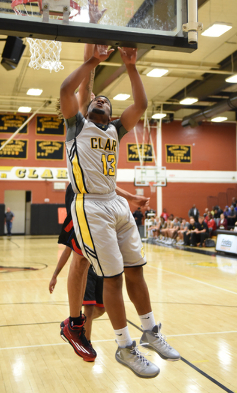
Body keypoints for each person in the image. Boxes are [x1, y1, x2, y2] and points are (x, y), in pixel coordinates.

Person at [59, 44, 180, 378]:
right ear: (87, 108)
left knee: (136, 270)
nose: (101, 100)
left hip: (116, 203)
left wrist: (130, 66)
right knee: (111, 277)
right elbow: (67, 90)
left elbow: (140, 104)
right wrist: (93, 61)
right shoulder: (76, 126)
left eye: (106, 101)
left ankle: (150, 330)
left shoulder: (115, 129)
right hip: (90, 205)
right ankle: (125, 346)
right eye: (96, 99)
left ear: (111, 114)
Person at [50, 183, 149, 348]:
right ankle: (82, 336)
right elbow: (68, 251)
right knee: (82, 263)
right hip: (85, 206)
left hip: (102, 262)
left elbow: (108, 184)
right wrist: (55, 274)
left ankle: (76, 323)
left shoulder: (109, 199)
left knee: (101, 308)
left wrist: (131, 198)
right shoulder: (82, 182)